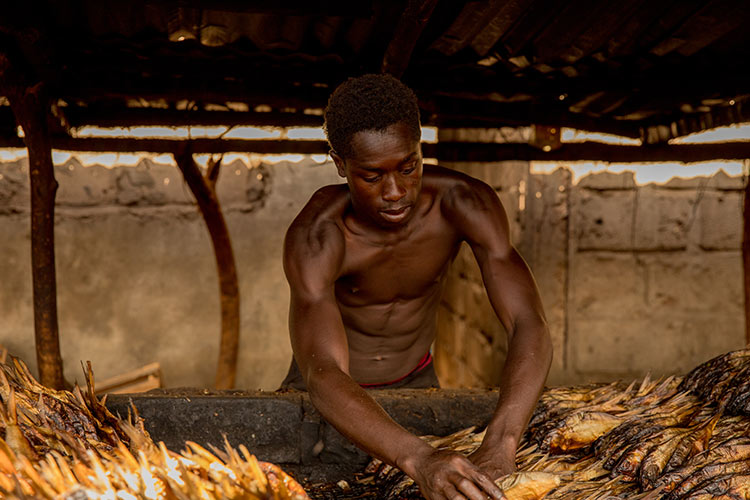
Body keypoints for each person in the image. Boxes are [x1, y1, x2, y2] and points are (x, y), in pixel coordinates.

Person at [281, 74, 552, 500]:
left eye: (409, 167)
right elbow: (322, 373)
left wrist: (502, 441)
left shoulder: (464, 202)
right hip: (330, 401)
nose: (395, 192)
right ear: (339, 165)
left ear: (421, 148)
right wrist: (419, 459)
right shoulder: (319, 235)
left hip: (417, 382)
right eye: (372, 176)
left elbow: (527, 321)